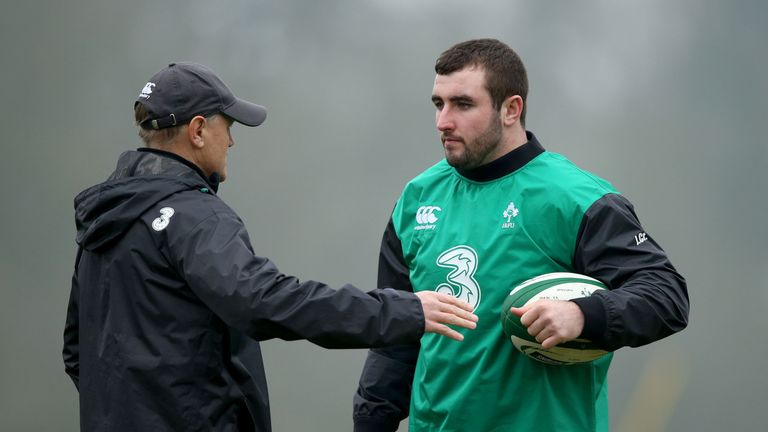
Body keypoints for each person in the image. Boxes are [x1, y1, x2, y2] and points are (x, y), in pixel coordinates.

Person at [62, 62, 479, 432]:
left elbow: (77, 352)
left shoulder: (107, 218)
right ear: (198, 131)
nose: (232, 142)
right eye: (228, 127)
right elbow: (266, 301)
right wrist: (402, 310)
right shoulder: (196, 216)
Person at [353, 39, 689, 432]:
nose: (443, 121)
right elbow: (394, 337)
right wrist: (369, 421)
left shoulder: (575, 199)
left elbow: (666, 294)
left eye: (462, 104)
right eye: (438, 104)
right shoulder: (416, 199)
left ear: (511, 109)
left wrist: (584, 313)